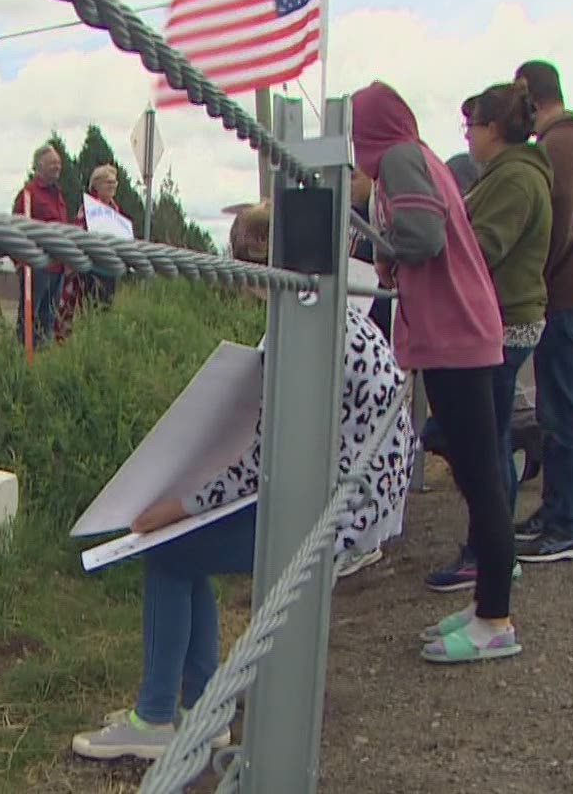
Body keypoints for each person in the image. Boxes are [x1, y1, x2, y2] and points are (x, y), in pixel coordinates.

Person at [70, 202, 415, 761]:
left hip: (336, 509)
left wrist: (181, 505)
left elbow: (263, 460)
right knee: (187, 552)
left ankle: (157, 718)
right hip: (361, 493)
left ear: (255, 265)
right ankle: (204, 708)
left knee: (169, 551)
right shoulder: (328, 313)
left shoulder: (299, 335)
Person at [351, 81, 519, 665]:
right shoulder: (420, 157)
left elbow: (422, 237)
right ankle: (485, 606)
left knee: (481, 481)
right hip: (459, 331)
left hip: (456, 337)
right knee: (478, 477)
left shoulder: (398, 160)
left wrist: (379, 244)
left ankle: (496, 618)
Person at [425, 83, 554, 593]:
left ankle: (488, 552)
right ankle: (490, 546)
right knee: (482, 438)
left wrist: (429, 252)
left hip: (500, 323)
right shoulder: (509, 176)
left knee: (474, 441)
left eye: (471, 127)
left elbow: (481, 247)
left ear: (493, 129)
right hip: (499, 320)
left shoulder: (515, 181)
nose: (469, 138)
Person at [511, 59, 573, 565]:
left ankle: (571, 525)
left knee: (566, 413)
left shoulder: (557, 148)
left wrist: (531, 277)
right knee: (559, 408)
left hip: (569, 297)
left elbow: (557, 227)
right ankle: (556, 511)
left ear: (530, 95)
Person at [11, 144, 69, 348]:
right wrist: (20, 263)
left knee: (48, 318)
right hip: (37, 267)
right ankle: (22, 358)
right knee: (29, 318)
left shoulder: (58, 195)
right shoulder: (28, 194)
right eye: (53, 163)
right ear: (39, 165)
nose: (57, 166)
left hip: (57, 268)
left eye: (59, 163)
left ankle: (43, 360)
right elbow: (15, 230)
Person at [75, 163, 134, 309]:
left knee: (105, 311)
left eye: (115, 182)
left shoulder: (115, 210)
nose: (113, 185)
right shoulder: (89, 208)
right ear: (97, 185)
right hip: (91, 269)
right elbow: (79, 234)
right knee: (90, 310)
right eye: (109, 182)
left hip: (110, 270)